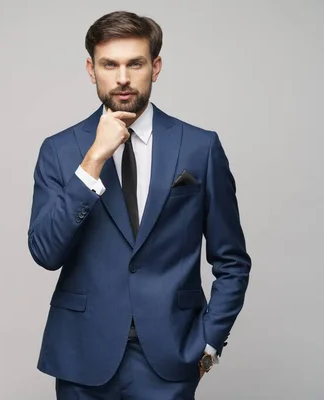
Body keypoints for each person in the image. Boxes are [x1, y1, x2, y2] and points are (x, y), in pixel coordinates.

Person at [27, 10, 252, 399]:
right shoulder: (60, 151)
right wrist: (93, 159)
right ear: (91, 69)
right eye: (109, 64)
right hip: (83, 356)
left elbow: (232, 260)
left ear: (156, 66)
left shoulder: (200, 147)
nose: (123, 78)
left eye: (136, 63)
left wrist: (209, 344)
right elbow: (46, 251)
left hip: (171, 357)